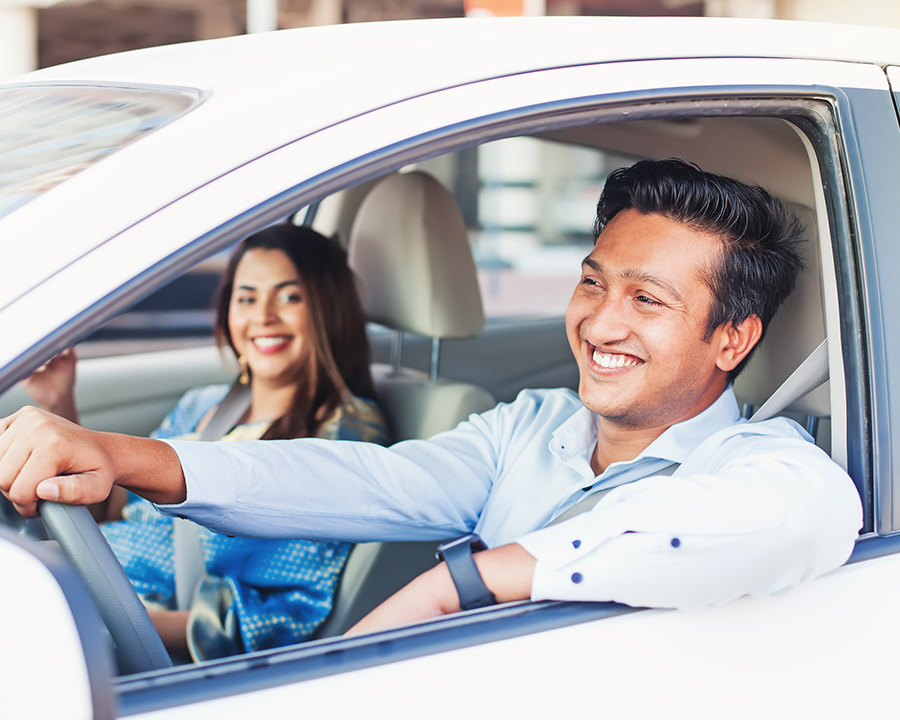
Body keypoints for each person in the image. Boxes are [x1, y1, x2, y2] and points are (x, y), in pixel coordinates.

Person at [0, 160, 862, 638]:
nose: (600, 322)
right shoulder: (531, 426)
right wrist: (122, 457)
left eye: (648, 300)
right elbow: (358, 483)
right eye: (593, 283)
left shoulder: (760, 468)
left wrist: (469, 584)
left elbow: (811, 515)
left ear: (733, 340)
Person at [20, 225, 388, 658]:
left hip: (127, 636)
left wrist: (118, 621)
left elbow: (276, 617)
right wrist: (60, 399)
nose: (263, 316)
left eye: (290, 297)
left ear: (329, 309)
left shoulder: (344, 432)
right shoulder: (205, 406)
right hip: (79, 586)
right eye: (247, 298)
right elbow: (112, 507)